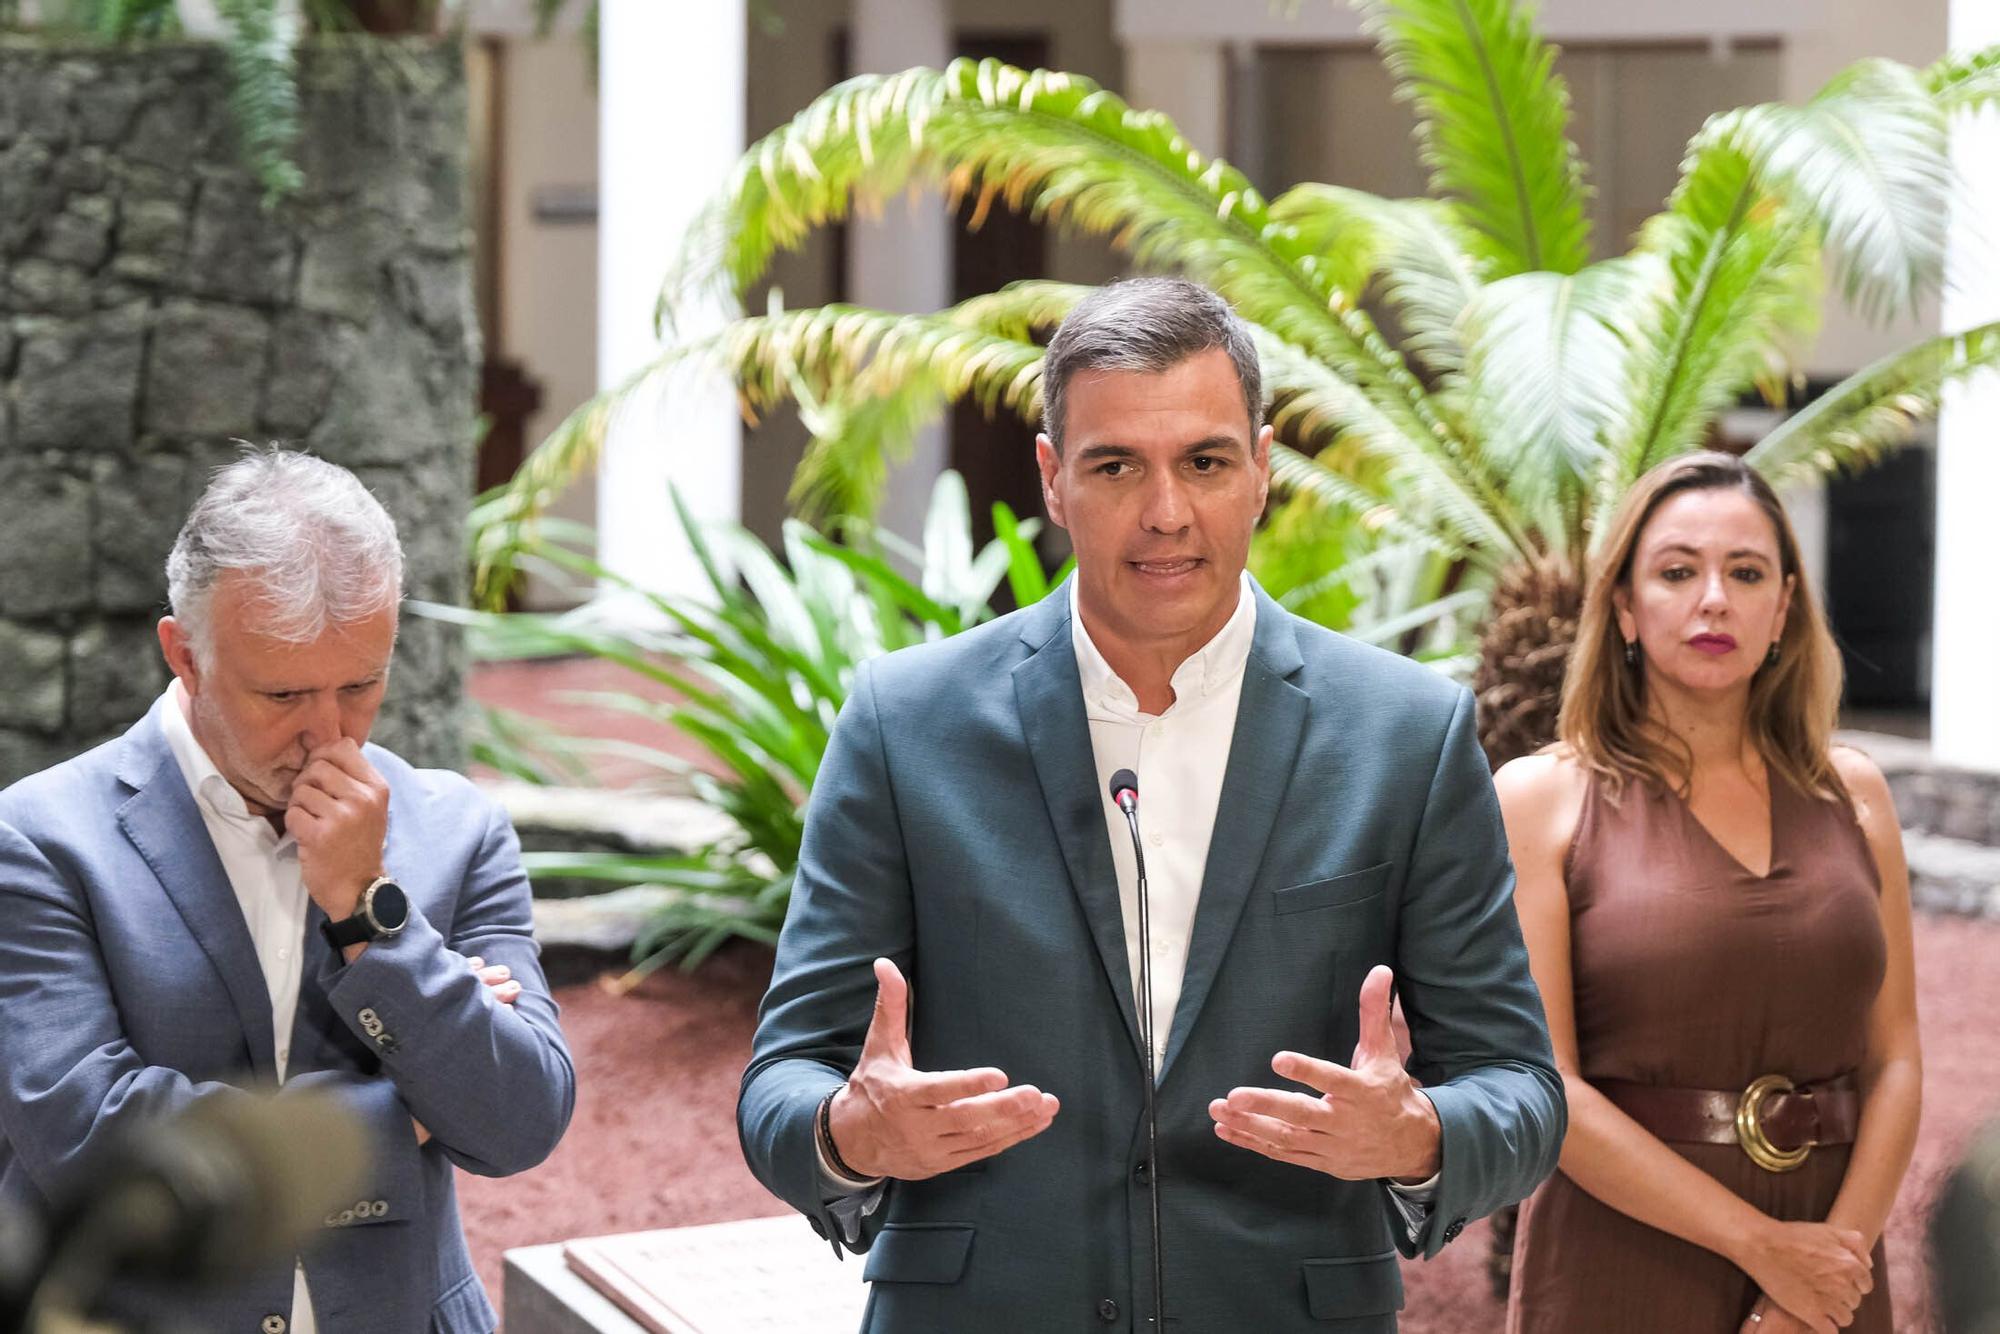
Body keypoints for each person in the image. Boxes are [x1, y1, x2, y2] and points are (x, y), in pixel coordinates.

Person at [738, 277, 1565, 1331]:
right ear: (1051, 476)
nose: (1165, 510)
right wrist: (847, 1134)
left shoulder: (1404, 733)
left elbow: (1518, 1091)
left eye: (1205, 462)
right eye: (1116, 463)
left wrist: (1419, 1138)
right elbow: (780, 1085)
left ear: (1262, 469)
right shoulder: (904, 724)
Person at [0, 449, 576, 1333]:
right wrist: (406, 1117)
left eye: (361, 684)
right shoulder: (38, 841)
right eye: (283, 693)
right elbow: (87, 1141)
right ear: (184, 655)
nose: (328, 734)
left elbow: (517, 1120)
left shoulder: (457, 830)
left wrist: (368, 909)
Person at [1500, 452, 1920, 1334]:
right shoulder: (1542, 801)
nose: (1714, 599)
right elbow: (1549, 1086)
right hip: (1624, 1255)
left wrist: (1827, 1270)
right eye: (1678, 572)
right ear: (1623, 607)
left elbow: (1897, 1062)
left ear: (1785, 610)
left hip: (1829, 1268)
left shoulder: (1856, 794)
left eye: (1747, 572)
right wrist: (1764, 1248)